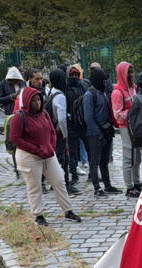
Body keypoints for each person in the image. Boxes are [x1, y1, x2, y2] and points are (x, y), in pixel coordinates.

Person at [9, 87, 82, 227]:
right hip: (29, 156)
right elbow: (15, 138)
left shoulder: (44, 113)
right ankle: (38, 215)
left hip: (47, 153)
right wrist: (36, 150)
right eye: (34, 100)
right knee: (34, 186)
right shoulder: (19, 116)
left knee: (59, 180)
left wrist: (52, 145)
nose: (37, 103)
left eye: (39, 100)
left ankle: (68, 210)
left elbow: (52, 131)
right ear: (27, 101)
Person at [84, 67, 119, 196]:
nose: (106, 82)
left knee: (104, 161)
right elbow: (88, 118)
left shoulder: (102, 92)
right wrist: (98, 134)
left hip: (106, 133)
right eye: (103, 80)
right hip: (96, 135)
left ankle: (108, 185)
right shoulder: (89, 95)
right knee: (94, 162)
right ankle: (97, 188)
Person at [47, 68, 79, 196]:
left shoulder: (51, 92)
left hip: (52, 130)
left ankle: (55, 183)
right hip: (59, 132)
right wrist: (65, 134)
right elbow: (61, 118)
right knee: (63, 159)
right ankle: (63, 185)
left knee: (57, 158)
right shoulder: (60, 96)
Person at [112, 61, 141, 197]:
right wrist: (132, 112)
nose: (130, 75)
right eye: (128, 72)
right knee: (128, 156)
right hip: (125, 127)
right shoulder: (117, 92)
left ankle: (137, 182)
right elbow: (117, 114)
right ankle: (129, 187)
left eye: (132, 71)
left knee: (137, 156)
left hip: (134, 126)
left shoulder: (133, 87)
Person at [64, 65, 89, 189]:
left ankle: (92, 174)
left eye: (76, 75)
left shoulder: (83, 87)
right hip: (71, 125)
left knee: (89, 149)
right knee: (72, 151)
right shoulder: (65, 89)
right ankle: (74, 175)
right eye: (72, 75)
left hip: (83, 124)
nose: (74, 77)